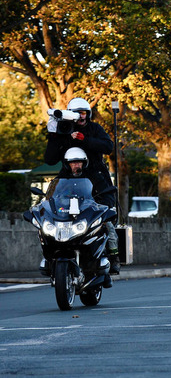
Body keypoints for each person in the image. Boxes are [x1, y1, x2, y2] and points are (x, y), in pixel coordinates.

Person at [44, 97, 119, 273]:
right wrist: (54, 136)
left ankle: (113, 256)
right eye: (76, 114)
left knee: (106, 214)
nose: (80, 117)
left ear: (88, 114)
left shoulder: (94, 129)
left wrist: (84, 139)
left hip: (95, 176)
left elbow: (108, 146)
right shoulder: (64, 129)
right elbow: (49, 159)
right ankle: (51, 256)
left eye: (83, 113)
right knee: (53, 211)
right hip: (69, 177)